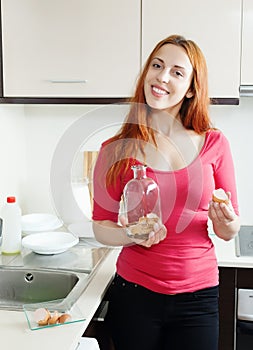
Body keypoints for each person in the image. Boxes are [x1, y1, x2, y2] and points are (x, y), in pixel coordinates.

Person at [92, 34, 240, 350]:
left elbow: (230, 229)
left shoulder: (215, 144)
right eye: (157, 66)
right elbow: (101, 227)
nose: (162, 76)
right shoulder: (114, 150)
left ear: (190, 88)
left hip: (198, 296)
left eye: (176, 71)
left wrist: (225, 222)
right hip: (134, 293)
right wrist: (132, 234)